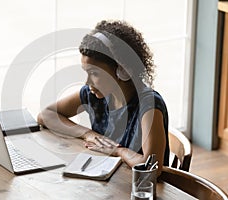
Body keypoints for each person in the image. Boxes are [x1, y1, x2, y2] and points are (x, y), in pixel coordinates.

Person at [37, 20, 169, 170]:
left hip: (141, 189)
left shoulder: (149, 105)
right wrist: (88, 134)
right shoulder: (94, 94)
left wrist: (118, 151)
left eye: (94, 73)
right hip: (108, 181)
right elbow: (46, 115)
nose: (87, 81)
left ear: (122, 71)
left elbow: (152, 166)